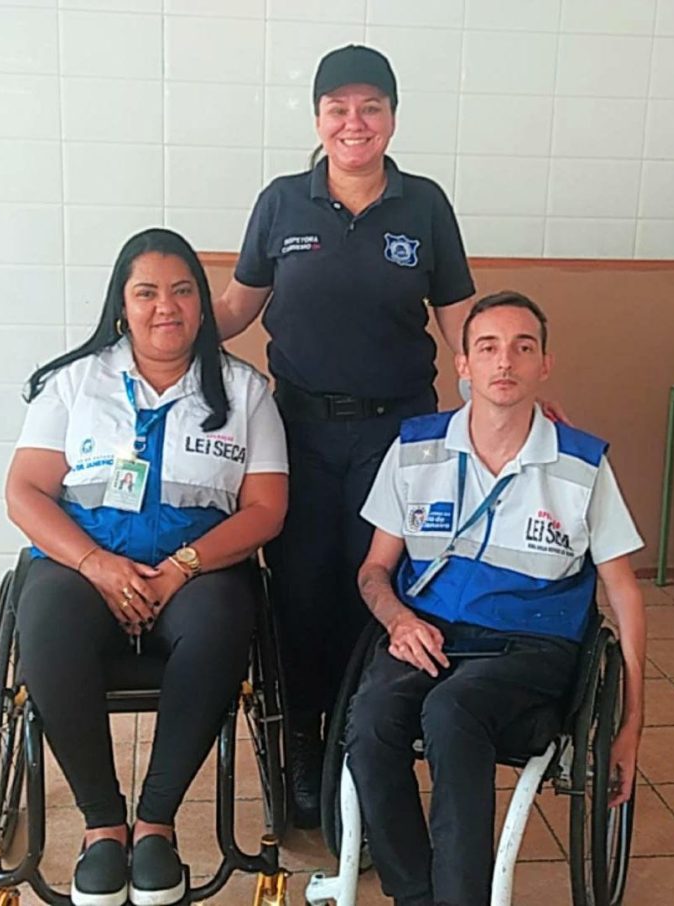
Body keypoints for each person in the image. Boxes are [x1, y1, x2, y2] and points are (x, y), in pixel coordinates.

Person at [213, 44, 475, 828]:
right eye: (338, 108)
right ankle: (303, 744)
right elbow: (236, 309)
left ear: (391, 116)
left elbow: (461, 323)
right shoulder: (282, 203)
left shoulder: (425, 205)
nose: (354, 122)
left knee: (382, 586)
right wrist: (143, 335)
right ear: (318, 117)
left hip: (399, 433)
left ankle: (363, 750)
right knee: (301, 589)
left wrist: (510, 391)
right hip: (297, 432)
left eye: (371, 107)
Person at [5, 228, 288, 906]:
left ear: (203, 305)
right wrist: (98, 565)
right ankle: (103, 826)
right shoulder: (75, 383)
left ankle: (157, 823)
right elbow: (24, 492)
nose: (166, 306)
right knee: (45, 621)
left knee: (223, 620)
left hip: (198, 571)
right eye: (147, 293)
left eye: (183, 291)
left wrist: (181, 568)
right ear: (122, 306)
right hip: (85, 565)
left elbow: (266, 509)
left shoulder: (246, 392)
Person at [347, 292, 646, 906]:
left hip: (533, 644)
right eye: (487, 347)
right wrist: (398, 620)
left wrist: (632, 723)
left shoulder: (580, 464)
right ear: (463, 364)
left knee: (452, 710)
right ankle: (416, 895)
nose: (504, 361)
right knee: (371, 722)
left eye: (522, 347)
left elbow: (623, 590)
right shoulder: (416, 449)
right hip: (427, 630)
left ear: (545, 364)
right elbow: (374, 570)